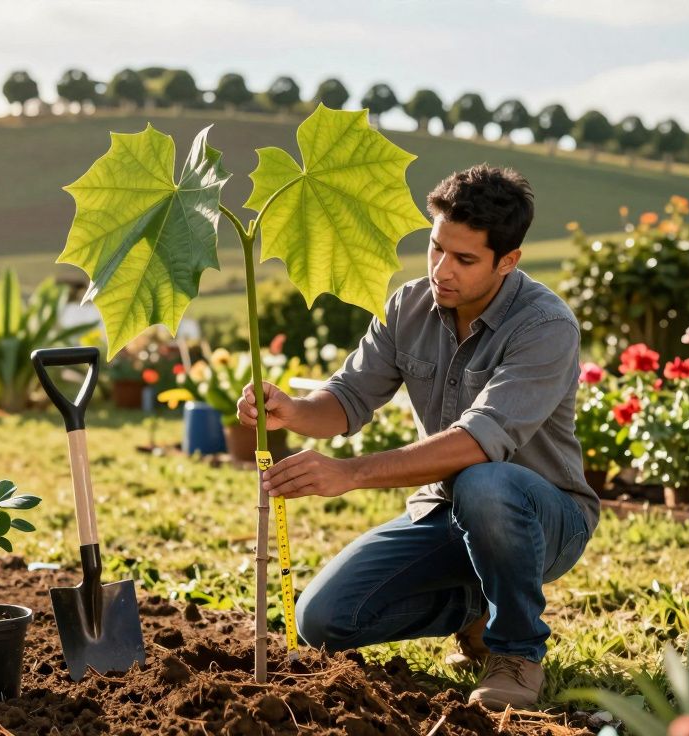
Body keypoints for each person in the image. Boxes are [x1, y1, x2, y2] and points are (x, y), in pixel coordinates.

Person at [237, 164, 598, 711]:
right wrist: (292, 410)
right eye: (435, 249)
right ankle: (479, 606)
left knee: (486, 483)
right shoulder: (409, 305)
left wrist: (350, 472)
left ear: (508, 261)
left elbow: (479, 442)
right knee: (322, 621)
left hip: (543, 519)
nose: (442, 270)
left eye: (464, 259)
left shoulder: (545, 327)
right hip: (445, 512)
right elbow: (350, 398)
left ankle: (517, 651)